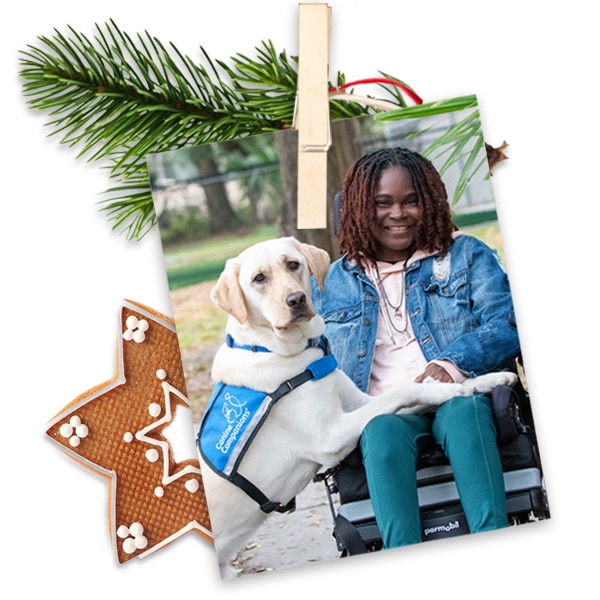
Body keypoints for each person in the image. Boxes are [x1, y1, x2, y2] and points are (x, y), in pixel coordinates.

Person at [311, 146, 521, 549]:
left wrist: (454, 363)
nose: (398, 213)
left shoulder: (466, 255)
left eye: (412, 201)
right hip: (384, 410)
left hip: (456, 395)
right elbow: (313, 360)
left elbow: (507, 321)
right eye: (382, 203)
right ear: (357, 208)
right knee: (381, 431)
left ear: (431, 202)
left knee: (464, 414)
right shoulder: (330, 282)